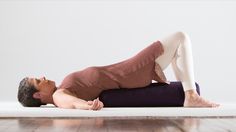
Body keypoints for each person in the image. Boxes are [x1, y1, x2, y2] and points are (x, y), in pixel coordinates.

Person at [17, 31, 220, 110]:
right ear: (38, 94)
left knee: (178, 46)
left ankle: (190, 94)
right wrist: (87, 106)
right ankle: (191, 95)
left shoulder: (61, 87)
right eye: (38, 80)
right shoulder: (59, 95)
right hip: (129, 73)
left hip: (127, 69)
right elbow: (70, 103)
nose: (42, 77)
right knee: (180, 38)